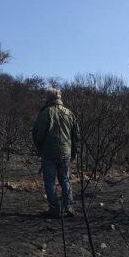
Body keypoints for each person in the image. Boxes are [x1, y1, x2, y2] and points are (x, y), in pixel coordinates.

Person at [32, 87, 79, 217]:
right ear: (59, 98)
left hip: (49, 152)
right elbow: (76, 136)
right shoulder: (69, 113)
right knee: (65, 179)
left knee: (50, 181)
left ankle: (54, 208)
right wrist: (74, 152)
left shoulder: (46, 113)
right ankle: (69, 206)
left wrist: (39, 148)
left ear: (48, 98)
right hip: (66, 152)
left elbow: (38, 133)